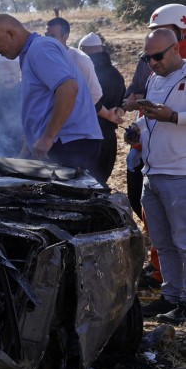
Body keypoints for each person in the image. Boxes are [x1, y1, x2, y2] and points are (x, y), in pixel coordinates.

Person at [0, 14, 102, 175]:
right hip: (64, 144)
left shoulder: (40, 48)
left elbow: (68, 88)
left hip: (69, 144)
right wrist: (28, 148)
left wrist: (47, 138)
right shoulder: (32, 51)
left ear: (11, 34)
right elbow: (43, 105)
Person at [125, 28, 186, 322]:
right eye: (147, 57)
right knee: (162, 243)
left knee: (184, 241)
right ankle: (171, 296)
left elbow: (172, 115)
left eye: (157, 56)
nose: (152, 62)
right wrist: (136, 127)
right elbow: (148, 115)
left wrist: (172, 117)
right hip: (153, 172)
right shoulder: (152, 78)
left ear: (176, 49)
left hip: (180, 174)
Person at [78, 32, 126, 184]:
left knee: (83, 185)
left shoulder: (84, 71)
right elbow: (122, 103)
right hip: (109, 139)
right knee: (100, 184)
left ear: (83, 50)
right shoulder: (116, 74)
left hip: (87, 139)